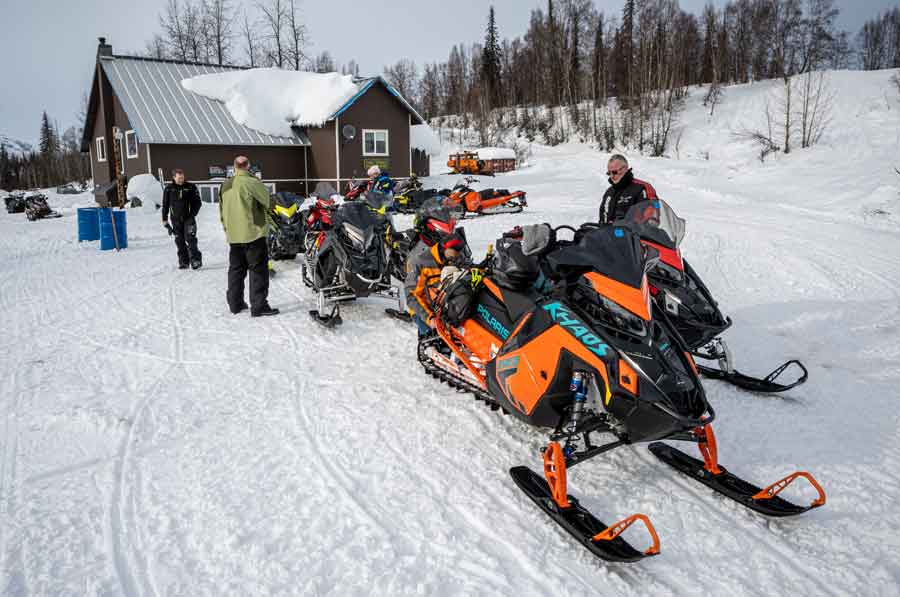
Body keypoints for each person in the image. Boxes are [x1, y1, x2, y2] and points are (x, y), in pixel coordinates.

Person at [219, 156, 279, 317]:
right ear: (248, 166)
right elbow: (267, 201)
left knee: (236, 271)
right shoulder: (252, 182)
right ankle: (259, 306)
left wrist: (227, 230)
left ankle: (235, 303)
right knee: (258, 270)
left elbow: (221, 211)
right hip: (253, 233)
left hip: (234, 236)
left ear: (234, 167)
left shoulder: (225, 186)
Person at [405, 233, 465, 336]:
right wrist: (430, 318)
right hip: (424, 310)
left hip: (444, 307)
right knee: (435, 339)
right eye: (453, 255)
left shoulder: (454, 260)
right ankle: (427, 345)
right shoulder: (421, 263)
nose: (455, 259)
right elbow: (411, 296)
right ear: (443, 249)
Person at [162, 168, 203, 269]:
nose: (181, 180)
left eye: (182, 177)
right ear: (174, 177)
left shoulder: (190, 187)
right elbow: (165, 205)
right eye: (179, 178)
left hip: (189, 218)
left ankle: (196, 260)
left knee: (190, 238)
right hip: (175, 219)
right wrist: (164, 219)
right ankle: (184, 261)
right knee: (179, 240)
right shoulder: (169, 189)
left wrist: (192, 214)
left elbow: (198, 203)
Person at [599, 154, 657, 223]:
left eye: (615, 172)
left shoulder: (642, 188)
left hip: (634, 232)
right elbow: (603, 218)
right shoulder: (609, 192)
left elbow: (652, 218)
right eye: (609, 173)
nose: (611, 176)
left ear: (625, 169)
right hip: (609, 232)